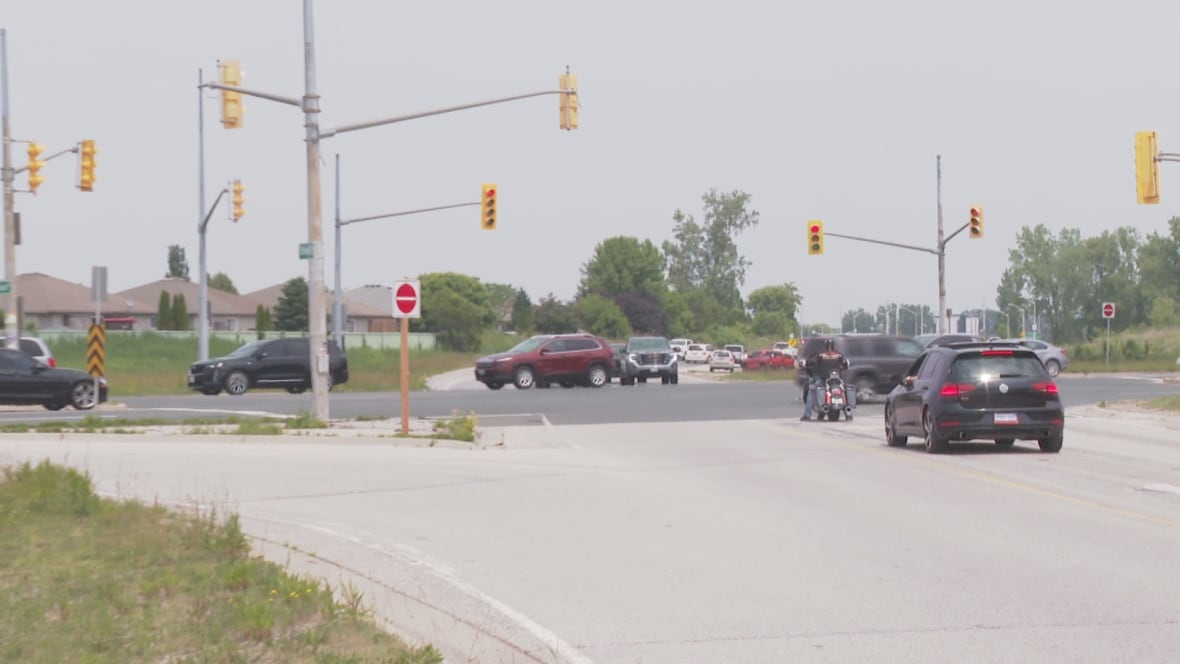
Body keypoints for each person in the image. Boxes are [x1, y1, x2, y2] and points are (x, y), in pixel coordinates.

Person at [800, 338, 849, 421]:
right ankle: (848, 414)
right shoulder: (839, 355)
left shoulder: (820, 355)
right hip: (837, 380)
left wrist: (806, 364)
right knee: (844, 391)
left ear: (825, 345)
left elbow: (811, 362)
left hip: (823, 379)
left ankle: (807, 415)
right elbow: (845, 365)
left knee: (812, 391)